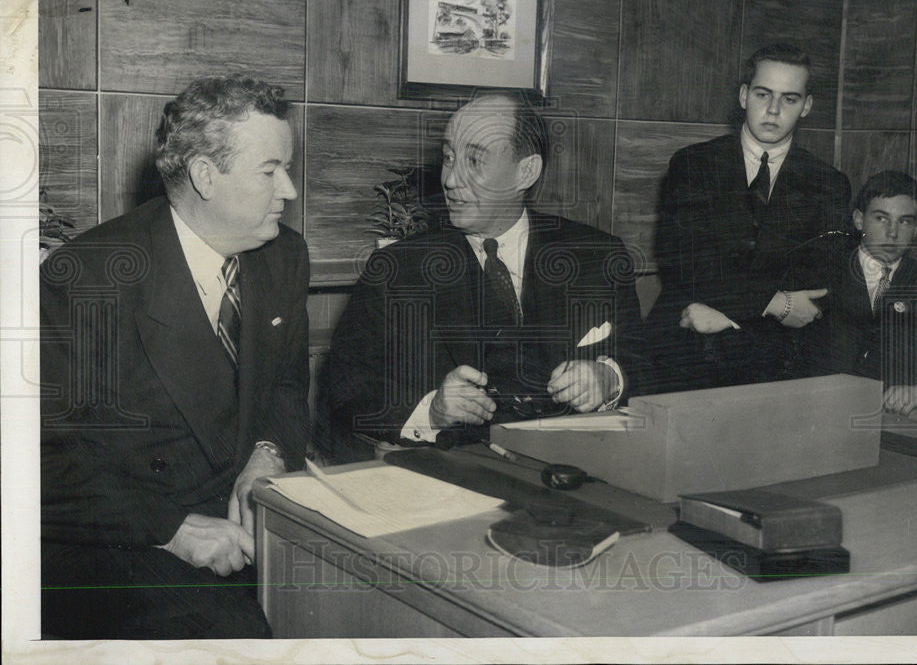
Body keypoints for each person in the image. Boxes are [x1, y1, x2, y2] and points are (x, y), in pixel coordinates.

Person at [40, 75, 310, 638]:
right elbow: (38, 460)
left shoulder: (284, 255)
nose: (288, 190)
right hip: (124, 534)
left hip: (243, 516)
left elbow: (286, 386)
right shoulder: (90, 276)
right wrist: (174, 528)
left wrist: (267, 454)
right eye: (270, 171)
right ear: (206, 176)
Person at [320, 93, 642, 449]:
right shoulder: (396, 270)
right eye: (448, 158)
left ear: (526, 171)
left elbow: (648, 363)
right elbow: (345, 387)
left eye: (474, 160)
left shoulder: (598, 255)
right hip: (455, 478)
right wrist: (431, 411)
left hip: (578, 469)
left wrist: (609, 377)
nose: (451, 179)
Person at [641, 43, 852, 392]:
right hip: (688, 344)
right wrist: (774, 302)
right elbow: (685, 264)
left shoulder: (828, 183)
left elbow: (818, 283)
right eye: (763, 94)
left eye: (789, 99)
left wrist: (730, 316)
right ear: (743, 96)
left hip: (772, 356)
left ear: (807, 107)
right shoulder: (693, 165)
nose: (772, 110)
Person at [796, 171, 917, 423]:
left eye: (905, 221)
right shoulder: (815, 274)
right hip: (818, 419)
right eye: (881, 218)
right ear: (859, 220)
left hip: (906, 426)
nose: (892, 233)